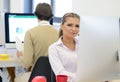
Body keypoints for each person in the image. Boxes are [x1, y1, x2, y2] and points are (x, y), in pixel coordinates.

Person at [14, 3, 58, 82]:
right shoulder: (58, 33)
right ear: (51, 16)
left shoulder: (30, 33)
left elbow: (27, 63)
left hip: (36, 77)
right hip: (53, 77)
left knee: (17, 78)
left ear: (36, 15)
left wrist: (20, 56)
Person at [48, 12, 80, 82]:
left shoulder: (83, 46)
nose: (74, 29)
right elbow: (61, 73)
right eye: (70, 25)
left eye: (77, 26)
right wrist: (81, 78)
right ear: (62, 26)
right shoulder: (54, 48)